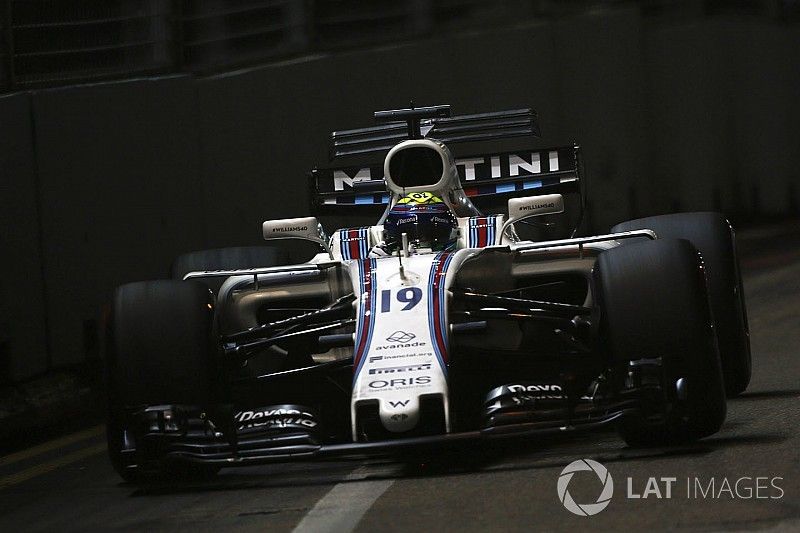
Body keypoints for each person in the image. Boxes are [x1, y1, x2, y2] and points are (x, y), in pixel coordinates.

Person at [370, 192, 459, 257]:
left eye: (430, 234)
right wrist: (380, 262)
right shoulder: (383, 255)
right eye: (410, 234)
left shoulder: (459, 256)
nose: (422, 243)